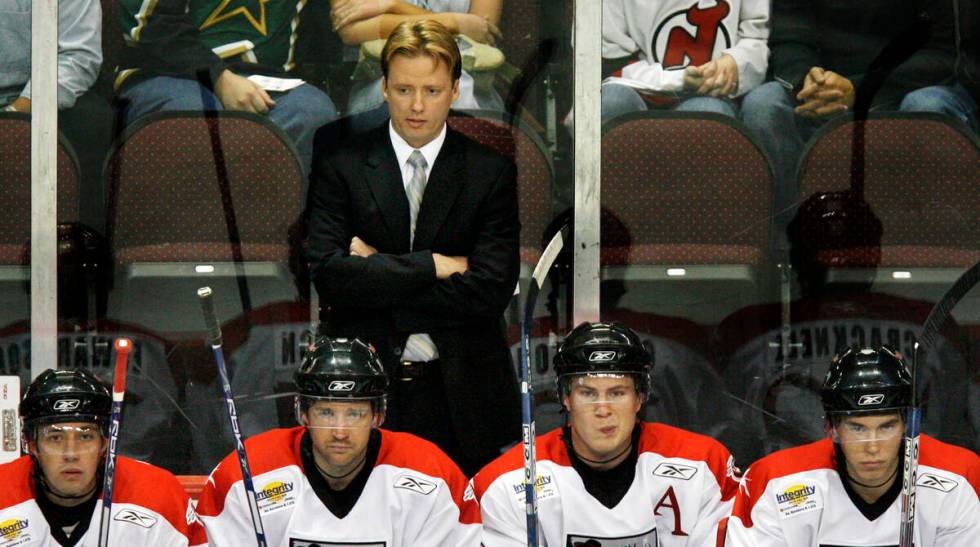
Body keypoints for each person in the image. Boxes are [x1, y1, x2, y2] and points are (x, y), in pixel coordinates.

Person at [306, 19, 521, 476]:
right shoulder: (339, 163)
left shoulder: (491, 171)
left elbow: (490, 289)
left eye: (432, 90)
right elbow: (330, 275)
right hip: (364, 389)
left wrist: (378, 270)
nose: (418, 106)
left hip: (463, 391)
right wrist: (436, 266)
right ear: (383, 88)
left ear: (457, 89)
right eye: (404, 90)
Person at [472, 322, 739, 546]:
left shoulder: (704, 466)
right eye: (587, 393)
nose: (603, 409)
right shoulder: (505, 483)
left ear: (640, 398)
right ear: (565, 399)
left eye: (617, 393)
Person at [196, 336, 480, 546]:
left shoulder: (431, 477)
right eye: (327, 412)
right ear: (303, 413)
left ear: (377, 416)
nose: (340, 431)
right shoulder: (245, 475)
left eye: (355, 413)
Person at [725, 346, 980, 545]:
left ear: (907, 427)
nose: (872, 446)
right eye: (857, 428)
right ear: (832, 428)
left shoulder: (960, 479)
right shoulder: (772, 482)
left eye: (886, 427)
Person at [739, 0, 965, 215]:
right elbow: (791, 37)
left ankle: (921, 239)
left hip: (897, 89)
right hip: (821, 90)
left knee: (928, 106)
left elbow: (941, 54)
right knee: (764, 104)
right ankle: (796, 235)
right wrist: (808, 80)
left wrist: (859, 90)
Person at [116, 0, 340, 174]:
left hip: (268, 80)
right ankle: (189, 232)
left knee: (312, 112)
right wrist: (219, 77)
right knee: (194, 116)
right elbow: (148, 22)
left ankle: (275, 230)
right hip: (169, 73)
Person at [0, 368, 206, 546]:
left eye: (85, 436)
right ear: (32, 445)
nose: (71, 453)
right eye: (55, 437)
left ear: (105, 442)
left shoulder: (158, 495)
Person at [0, 0, 114, 231]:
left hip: (38, 91)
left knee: (91, 122)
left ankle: (81, 250)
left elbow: (78, 56)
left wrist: (16, 115)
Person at [332, 0, 504, 126]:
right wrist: (454, 23)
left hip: (464, 80)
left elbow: (482, 32)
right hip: (382, 81)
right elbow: (351, 31)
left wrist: (392, 6)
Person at [599, 0, 769, 121]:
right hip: (640, 91)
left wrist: (736, 61)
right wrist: (678, 80)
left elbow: (757, 36)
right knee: (611, 102)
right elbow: (614, 62)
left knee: (706, 113)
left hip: (714, 96)